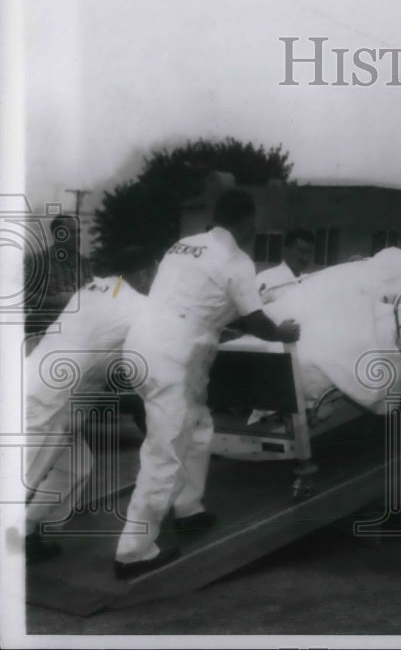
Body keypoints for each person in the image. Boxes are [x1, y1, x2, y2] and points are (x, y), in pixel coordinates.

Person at [113, 190, 301, 579]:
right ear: (247, 222)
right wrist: (281, 332)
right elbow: (256, 321)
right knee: (165, 451)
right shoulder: (237, 260)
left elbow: (193, 298)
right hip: (174, 357)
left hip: (142, 345)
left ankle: (188, 509)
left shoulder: (183, 245)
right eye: (255, 222)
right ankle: (133, 551)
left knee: (198, 429)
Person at [21, 246, 158, 563]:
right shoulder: (138, 306)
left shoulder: (94, 288)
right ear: (142, 274)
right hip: (51, 398)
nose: (155, 281)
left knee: (75, 467)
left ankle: (26, 532)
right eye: (154, 273)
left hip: (44, 385)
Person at [24, 214, 94, 338]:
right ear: (58, 235)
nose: (77, 237)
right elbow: (21, 295)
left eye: (78, 232)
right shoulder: (39, 262)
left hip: (81, 333)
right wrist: (54, 300)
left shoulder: (84, 264)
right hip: (48, 333)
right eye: (72, 233)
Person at [256, 228, 316, 304]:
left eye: (309, 253)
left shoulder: (310, 282)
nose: (305, 258)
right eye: (301, 251)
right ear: (286, 250)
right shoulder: (266, 278)